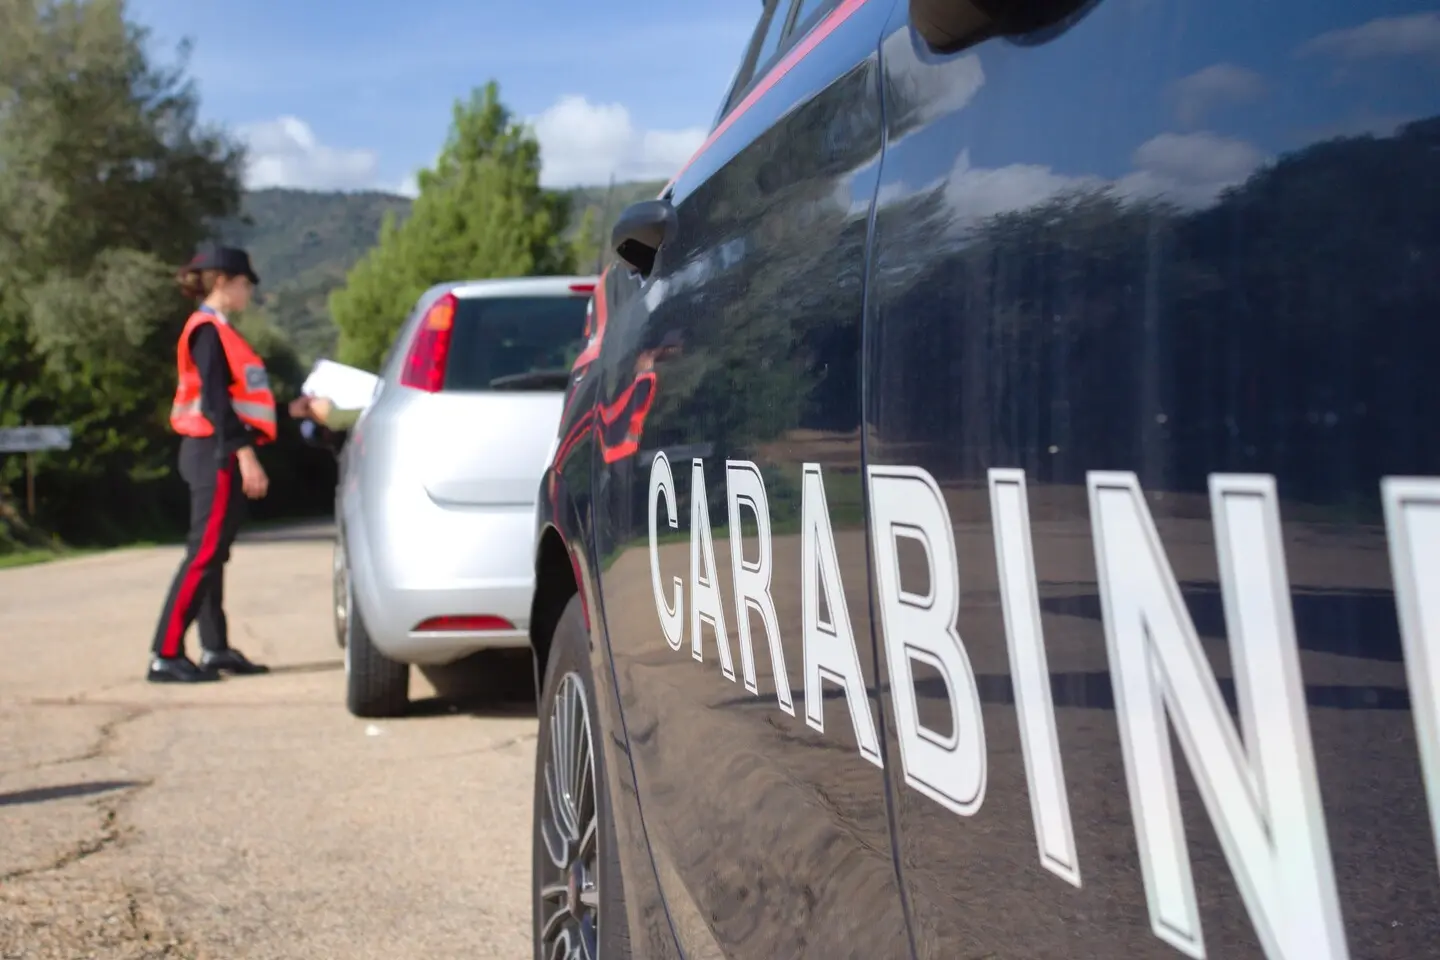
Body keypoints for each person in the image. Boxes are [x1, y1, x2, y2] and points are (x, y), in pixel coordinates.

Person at [147, 244, 275, 683]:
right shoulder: (206, 331)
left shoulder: (220, 329)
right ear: (222, 282)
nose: (249, 293)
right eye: (244, 284)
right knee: (203, 553)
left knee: (213, 554)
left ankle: (215, 648)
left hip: (213, 449)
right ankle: (165, 654)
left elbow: (237, 399)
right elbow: (216, 403)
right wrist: (246, 455)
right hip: (213, 452)